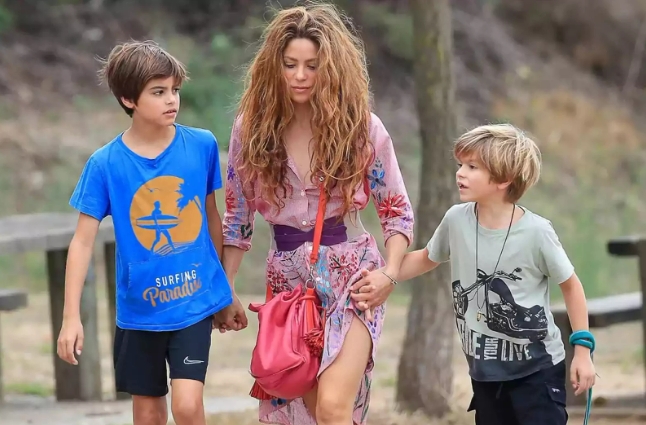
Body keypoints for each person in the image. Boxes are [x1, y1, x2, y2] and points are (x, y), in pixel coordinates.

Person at [218, 3, 414, 425]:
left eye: (312, 65)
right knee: (307, 412)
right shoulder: (250, 131)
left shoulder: (363, 129)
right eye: (290, 65)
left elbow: (397, 212)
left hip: (353, 277)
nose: (301, 76)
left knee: (332, 407)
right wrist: (226, 287)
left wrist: (389, 274)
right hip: (288, 283)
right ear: (274, 67)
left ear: (333, 68)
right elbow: (237, 219)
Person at [351, 123, 597, 424]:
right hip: (485, 374)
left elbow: (571, 286)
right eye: (460, 165)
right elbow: (427, 258)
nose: (460, 173)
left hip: (538, 372)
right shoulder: (456, 220)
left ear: (503, 179)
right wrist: (383, 274)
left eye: (472, 167)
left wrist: (582, 350)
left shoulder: (537, 232)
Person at [56, 40, 246, 425]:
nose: (171, 99)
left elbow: (211, 219)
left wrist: (223, 293)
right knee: (148, 415)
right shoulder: (105, 164)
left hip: (192, 303)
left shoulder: (202, 145)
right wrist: (70, 317)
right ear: (128, 99)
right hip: (138, 313)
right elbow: (81, 242)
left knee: (187, 407)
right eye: (158, 92)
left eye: (175, 89)